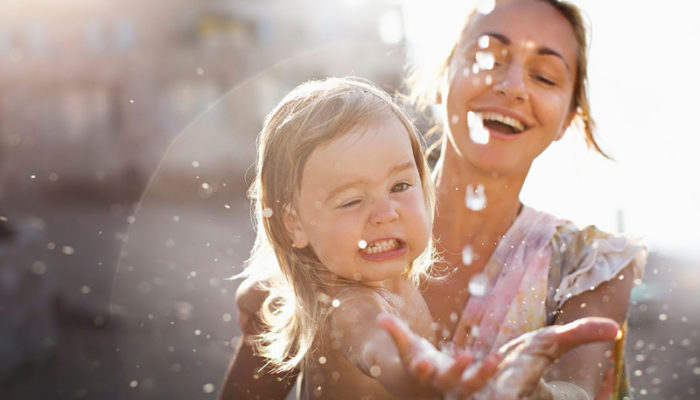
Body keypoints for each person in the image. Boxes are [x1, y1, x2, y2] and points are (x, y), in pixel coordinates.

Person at [219, 0, 647, 399]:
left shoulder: (591, 266)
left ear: (568, 118)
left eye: (544, 77)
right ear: (442, 79)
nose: (513, 86)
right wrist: (283, 288)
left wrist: (531, 392)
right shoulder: (330, 252)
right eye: (488, 60)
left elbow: (580, 390)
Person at [228, 76, 503, 399]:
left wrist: (254, 291)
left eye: (399, 186)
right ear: (295, 225)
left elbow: (266, 287)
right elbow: (372, 342)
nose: (385, 213)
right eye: (351, 201)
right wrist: (414, 373)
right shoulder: (351, 305)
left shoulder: (352, 285)